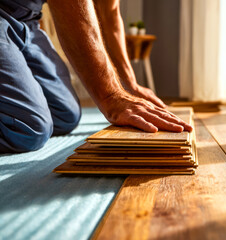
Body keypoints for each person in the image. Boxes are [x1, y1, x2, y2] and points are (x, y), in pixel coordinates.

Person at [0, 0, 192, 153]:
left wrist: (130, 85)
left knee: (65, 115)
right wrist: (111, 96)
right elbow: (72, 8)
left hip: (27, 23)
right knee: (29, 129)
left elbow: (110, 14)